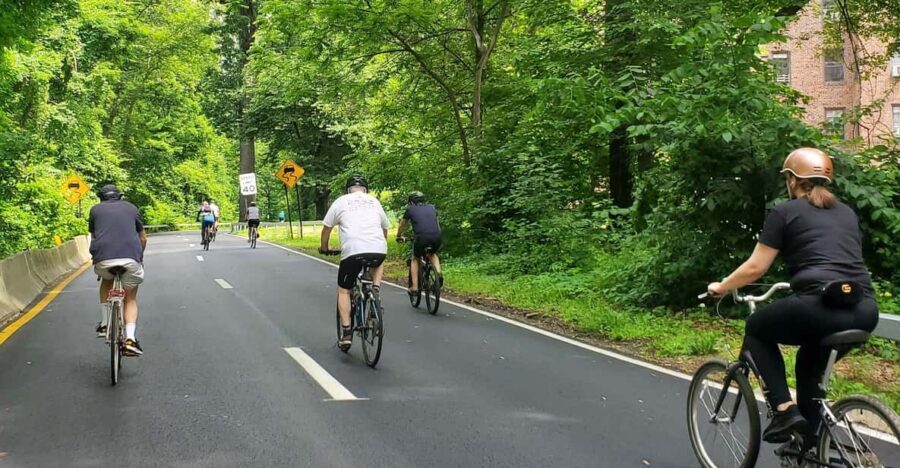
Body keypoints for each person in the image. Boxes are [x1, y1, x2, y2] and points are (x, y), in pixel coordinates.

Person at [707, 148, 878, 445]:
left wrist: (723, 285)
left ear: (792, 180)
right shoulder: (847, 212)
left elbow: (756, 267)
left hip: (818, 307)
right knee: (808, 366)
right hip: (864, 309)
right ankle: (809, 447)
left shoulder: (783, 212)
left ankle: (785, 411)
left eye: (787, 178)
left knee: (756, 329)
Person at [319, 175, 390, 349]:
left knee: (344, 290)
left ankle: (346, 332)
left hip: (353, 251)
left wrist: (325, 248)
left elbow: (326, 229)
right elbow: (385, 228)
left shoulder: (341, 201)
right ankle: (375, 289)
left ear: (348, 189)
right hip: (378, 248)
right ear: (366, 189)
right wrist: (381, 244)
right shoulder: (374, 201)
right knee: (378, 258)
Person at [89, 184, 147, 356]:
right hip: (130, 259)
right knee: (130, 298)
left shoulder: (95, 210)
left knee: (106, 280)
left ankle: (106, 323)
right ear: (120, 196)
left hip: (103, 258)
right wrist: (139, 258)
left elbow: (94, 237)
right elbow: (142, 238)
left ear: (101, 197)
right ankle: (130, 339)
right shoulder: (131, 208)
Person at [396, 191, 443, 294]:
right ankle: (438, 275)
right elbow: (437, 225)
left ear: (411, 201)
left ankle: (415, 287)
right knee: (433, 254)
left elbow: (402, 225)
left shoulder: (410, 209)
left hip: (421, 237)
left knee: (415, 259)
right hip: (436, 236)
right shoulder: (432, 207)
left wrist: (399, 236)